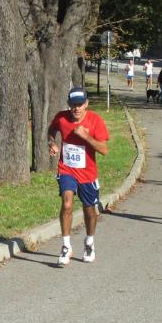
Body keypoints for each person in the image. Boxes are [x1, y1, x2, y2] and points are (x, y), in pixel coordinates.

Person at [48, 87, 109, 265]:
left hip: (88, 174)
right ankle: (66, 246)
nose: (76, 108)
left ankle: (89, 241)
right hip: (66, 169)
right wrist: (51, 143)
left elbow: (104, 149)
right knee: (67, 203)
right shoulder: (61, 118)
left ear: (86, 105)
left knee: (89, 210)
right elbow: (51, 131)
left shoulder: (95, 121)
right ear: (69, 105)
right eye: (73, 105)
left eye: (80, 105)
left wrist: (86, 137)